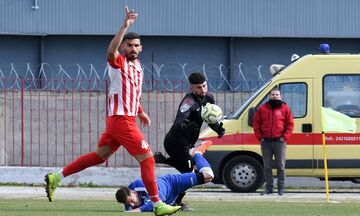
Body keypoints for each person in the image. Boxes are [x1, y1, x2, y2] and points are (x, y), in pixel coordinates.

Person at [44, 6, 181, 216]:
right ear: (124, 47)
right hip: (121, 120)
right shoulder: (119, 63)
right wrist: (124, 27)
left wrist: (141, 112)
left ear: (141, 48)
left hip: (121, 120)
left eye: (136, 45)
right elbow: (110, 51)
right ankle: (157, 204)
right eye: (129, 45)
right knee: (148, 159)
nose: (132, 48)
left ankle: (57, 177)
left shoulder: (138, 67)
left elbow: (133, 94)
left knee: (100, 156)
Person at [154, 72, 225, 209]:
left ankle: (165, 160)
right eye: (198, 87)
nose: (203, 90)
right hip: (176, 142)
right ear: (191, 88)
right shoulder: (188, 102)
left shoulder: (208, 97)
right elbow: (179, 121)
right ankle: (176, 202)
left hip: (188, 143)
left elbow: (208, 117)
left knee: (188, 170)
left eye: (204, 86)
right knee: (189, 174)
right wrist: (187, 124)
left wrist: (217, 128)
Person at [116, 141, 214, 212]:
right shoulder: (128, 204)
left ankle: (197, 153)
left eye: (131, 201)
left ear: (133, 192)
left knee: (208, 175)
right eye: (128, 204)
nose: (132, 205)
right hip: (170, 199)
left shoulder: (139, 185)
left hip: (172, 183)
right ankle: (179, 203)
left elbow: (159, 199)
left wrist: (139, 210)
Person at [252, 88, 294, 196]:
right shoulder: (262, 109)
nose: (275, 96)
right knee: (267, 166)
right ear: (269, 96)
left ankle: (281, 188)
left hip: (279, 142)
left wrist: (284, 137)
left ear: (280, 96)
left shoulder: (285, 109)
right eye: (273, 94)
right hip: (265, 141)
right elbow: (256, 124)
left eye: (277, 94)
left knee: (281, 165)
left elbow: (290, 124)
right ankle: (268, 188)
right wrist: (260, 137)